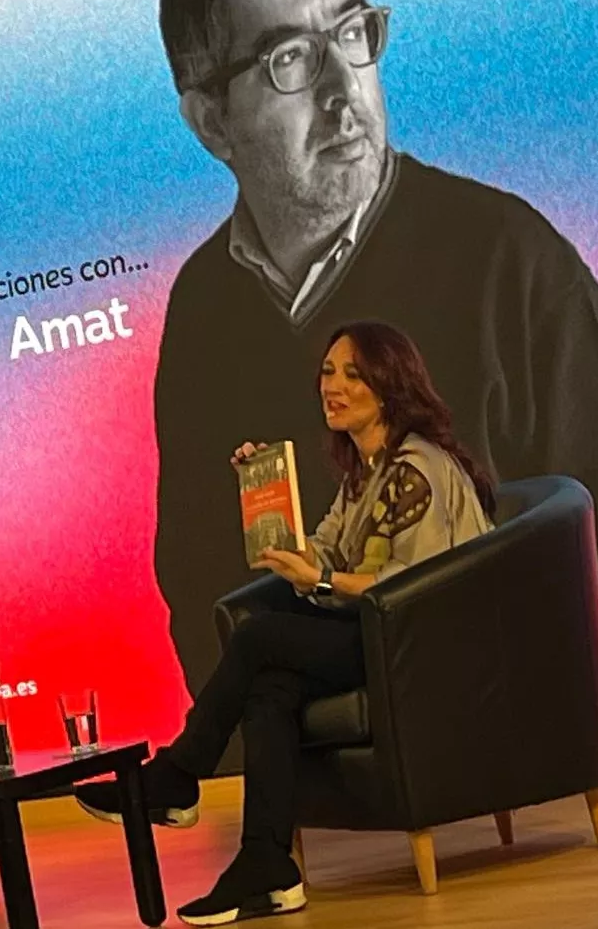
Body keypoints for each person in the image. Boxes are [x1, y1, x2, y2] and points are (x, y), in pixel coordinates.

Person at [151, 0, 598, 728]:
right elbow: (202, 591)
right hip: (333, 799)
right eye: (289, 61)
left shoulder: (509, 259)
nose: (344, 90)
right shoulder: (202, 307)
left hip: (532, 773)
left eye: (352, 34)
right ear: (211, 122)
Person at [80, 322, 495, 925]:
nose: (333, 385)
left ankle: (176, 775)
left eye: (353, 374)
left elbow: (409, 589)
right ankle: (265, 864)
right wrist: (263, 490)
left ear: (390, 386)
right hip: (375, 636)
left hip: (418, 645)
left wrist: (321, 584)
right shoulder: (367, 468)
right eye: (328, 371)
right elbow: (319, 551)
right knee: (270, 686)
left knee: (260, 636)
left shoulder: (416, 469)